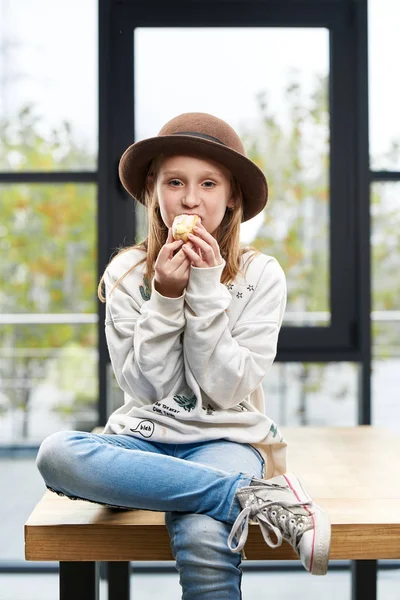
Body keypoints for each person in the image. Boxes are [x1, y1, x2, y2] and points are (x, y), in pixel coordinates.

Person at [36, 112, 331, 598]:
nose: (190, 198)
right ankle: (250, 498)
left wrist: (206, 289)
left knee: (202, 531)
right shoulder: (128, 273)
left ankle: (227, 495)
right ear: (154, 189)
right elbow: (148, 390)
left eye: (208, 183)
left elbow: (227, 389)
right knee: (58, 455)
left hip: (226, 439)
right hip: (144, 439)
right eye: (175, 182)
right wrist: (166, 298)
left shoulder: (262, 275)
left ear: (232, 195)